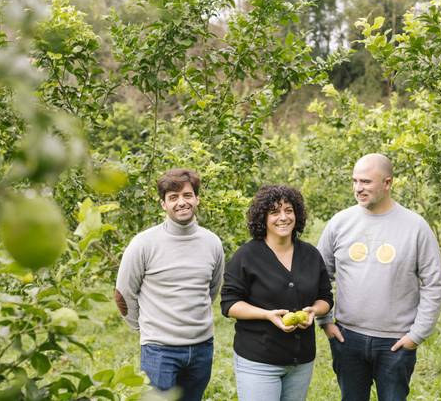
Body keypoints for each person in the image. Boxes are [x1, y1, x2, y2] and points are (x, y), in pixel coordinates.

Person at [316, 153, 441, 401]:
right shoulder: (340, 223)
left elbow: (433, 284)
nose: (358, 188)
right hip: (347, 338)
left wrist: (416, 335)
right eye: (355, 181)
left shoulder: (415, 227)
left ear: (387, 183)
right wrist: (325, 321)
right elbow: (320, 275)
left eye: (365, 182)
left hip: (395, 343)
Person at [115, 168, 224, 400]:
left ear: (197, 199)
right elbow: (123, 294)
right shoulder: (144, 244)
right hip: (159, 350)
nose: (181, 202)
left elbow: (211, 290)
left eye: (186, 195)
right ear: (163, 204)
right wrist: (147, 328)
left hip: (202, 347)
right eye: (173, 197)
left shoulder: (212, 242)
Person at [220, 185, 333, 401]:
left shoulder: (310, 254)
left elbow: (325, 297)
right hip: (259, 360)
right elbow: (229, 303)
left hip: (301, 361)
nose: (283, 217)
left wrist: (313, 311)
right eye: (274, 212)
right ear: (263, 218)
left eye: (288, 210)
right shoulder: (247, 256)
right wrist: (266, 315)